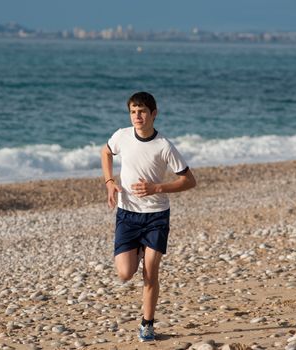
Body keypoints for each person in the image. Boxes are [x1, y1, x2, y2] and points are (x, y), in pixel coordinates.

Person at [100, 91, 196, 342]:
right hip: (127, 214)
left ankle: (147, 324)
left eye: (142, 111)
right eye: (133, 111)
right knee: (124, 273)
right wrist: (110, 181)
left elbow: (189, 180)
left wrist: (157, 188)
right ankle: (139, 250)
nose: (137, 116)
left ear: (154, 113)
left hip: (156, 216)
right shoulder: (122, 136)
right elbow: (106, 152)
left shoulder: (164, 146)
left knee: (150, 273)